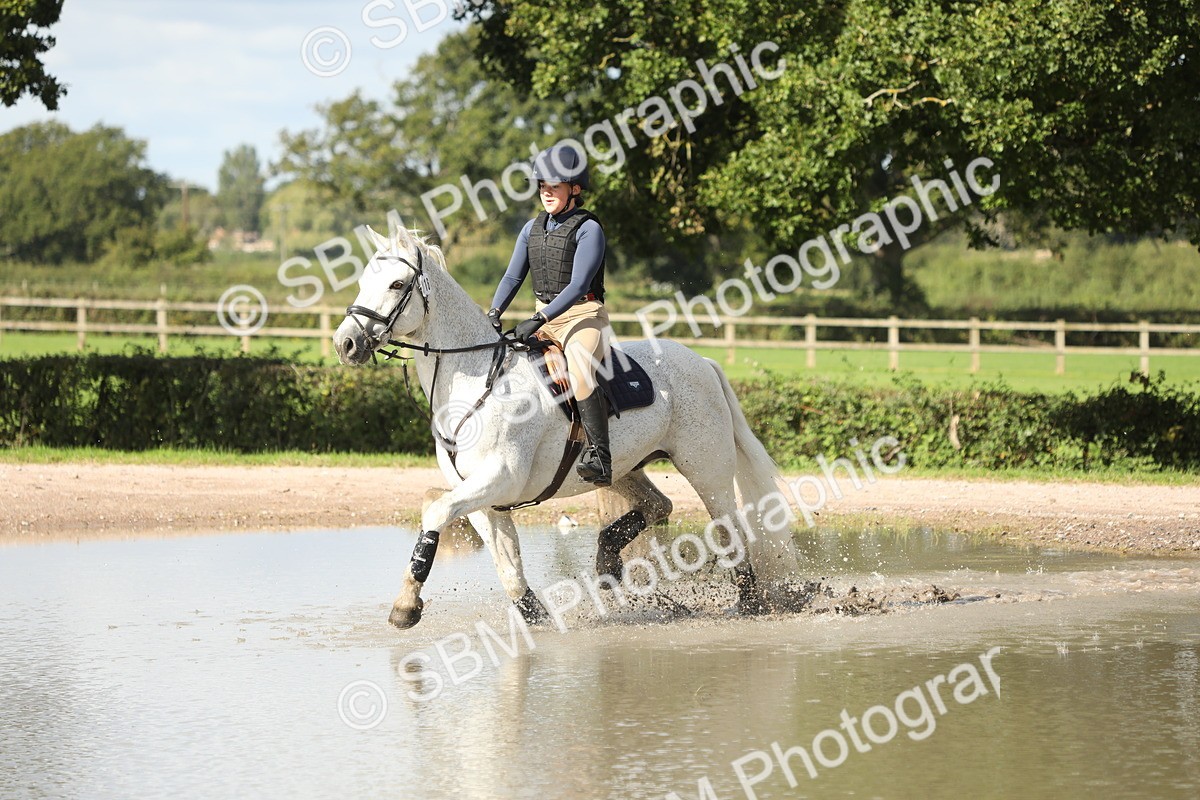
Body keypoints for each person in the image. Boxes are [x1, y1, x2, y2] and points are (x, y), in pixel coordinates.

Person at [488, 145, 613, 487]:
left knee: (580, 370)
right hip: (545, 316)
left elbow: (577, 285)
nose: (546, 192)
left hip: (583, 315)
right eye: (542, 185)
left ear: (574, 189)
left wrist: (538, 319)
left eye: (554, 187)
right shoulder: (532, 228)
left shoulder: (589, 229)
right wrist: (495, 311)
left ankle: (601, 458)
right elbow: (513, 276)